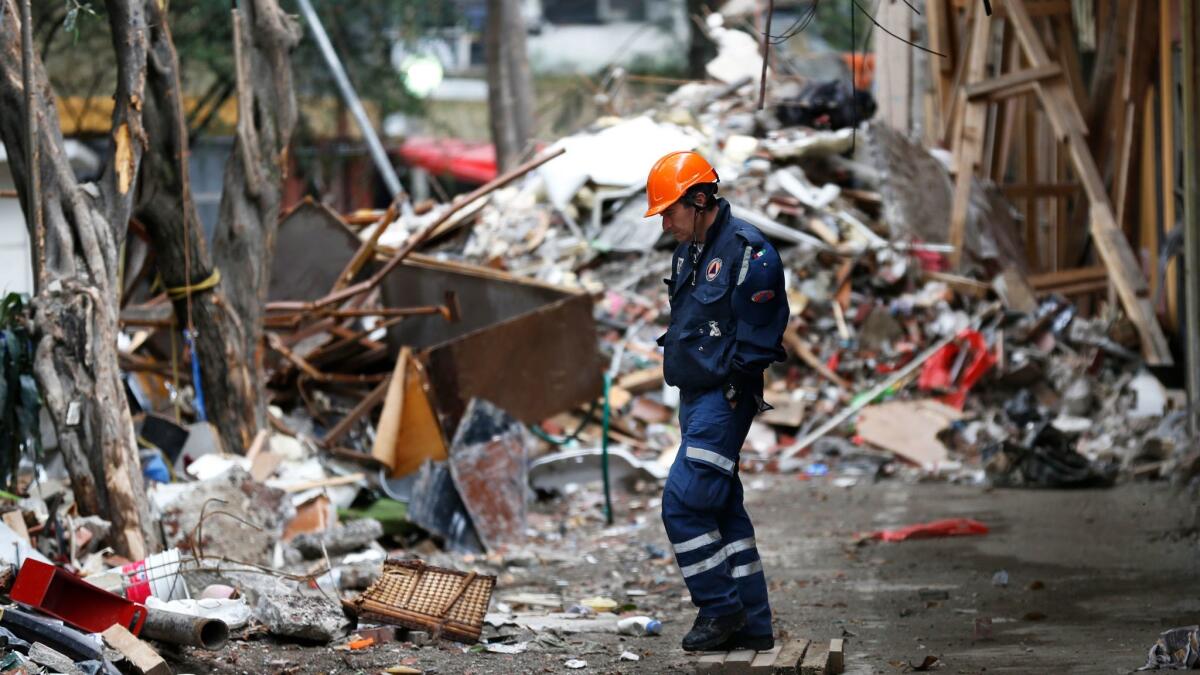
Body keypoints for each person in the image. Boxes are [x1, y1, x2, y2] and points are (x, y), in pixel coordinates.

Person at [645, 150, 790, 652]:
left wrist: (732, 391)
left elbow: (758, 340)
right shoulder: (688, 252)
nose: (665, 222)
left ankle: (719, 608)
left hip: (723, 401)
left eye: (669, 211)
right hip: (694, 397)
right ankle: (753, 624)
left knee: (682, 505)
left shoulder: (751, 252)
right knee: (721, 508)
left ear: (700, 199)